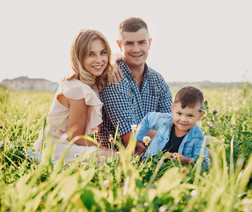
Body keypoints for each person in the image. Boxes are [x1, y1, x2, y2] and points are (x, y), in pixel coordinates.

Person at [34, 29, 118, 163]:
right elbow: (75, 138)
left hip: (62, 146)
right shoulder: (78, 89)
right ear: (79, 57)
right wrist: (105, 150)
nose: (99, 60)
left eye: (103, 53)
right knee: (116, 158)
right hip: (57, 148)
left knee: (115, 157)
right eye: (91, 54)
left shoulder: (88, 83)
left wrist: (115, 61)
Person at [98, 17, 173, 149]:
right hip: (118, 158)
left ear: (149, 43)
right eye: (129, 43)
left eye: (141, 42)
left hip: (160, 150)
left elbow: (171, 124)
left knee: (208, 145)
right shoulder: (113, 78)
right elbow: (130, 136)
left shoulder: (158, 81)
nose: (136, 49)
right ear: (120, 45)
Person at [135, 86, 209, 168]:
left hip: (175, 171)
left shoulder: (198, 137)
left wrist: (187, 160)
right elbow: (148, 119)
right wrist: (138, 139)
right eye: (179, 113)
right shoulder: (163, 120)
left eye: (190, 115)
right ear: (173, 109)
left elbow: (204, 162)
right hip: (150, 164)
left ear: (200, 115)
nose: (183, 119)